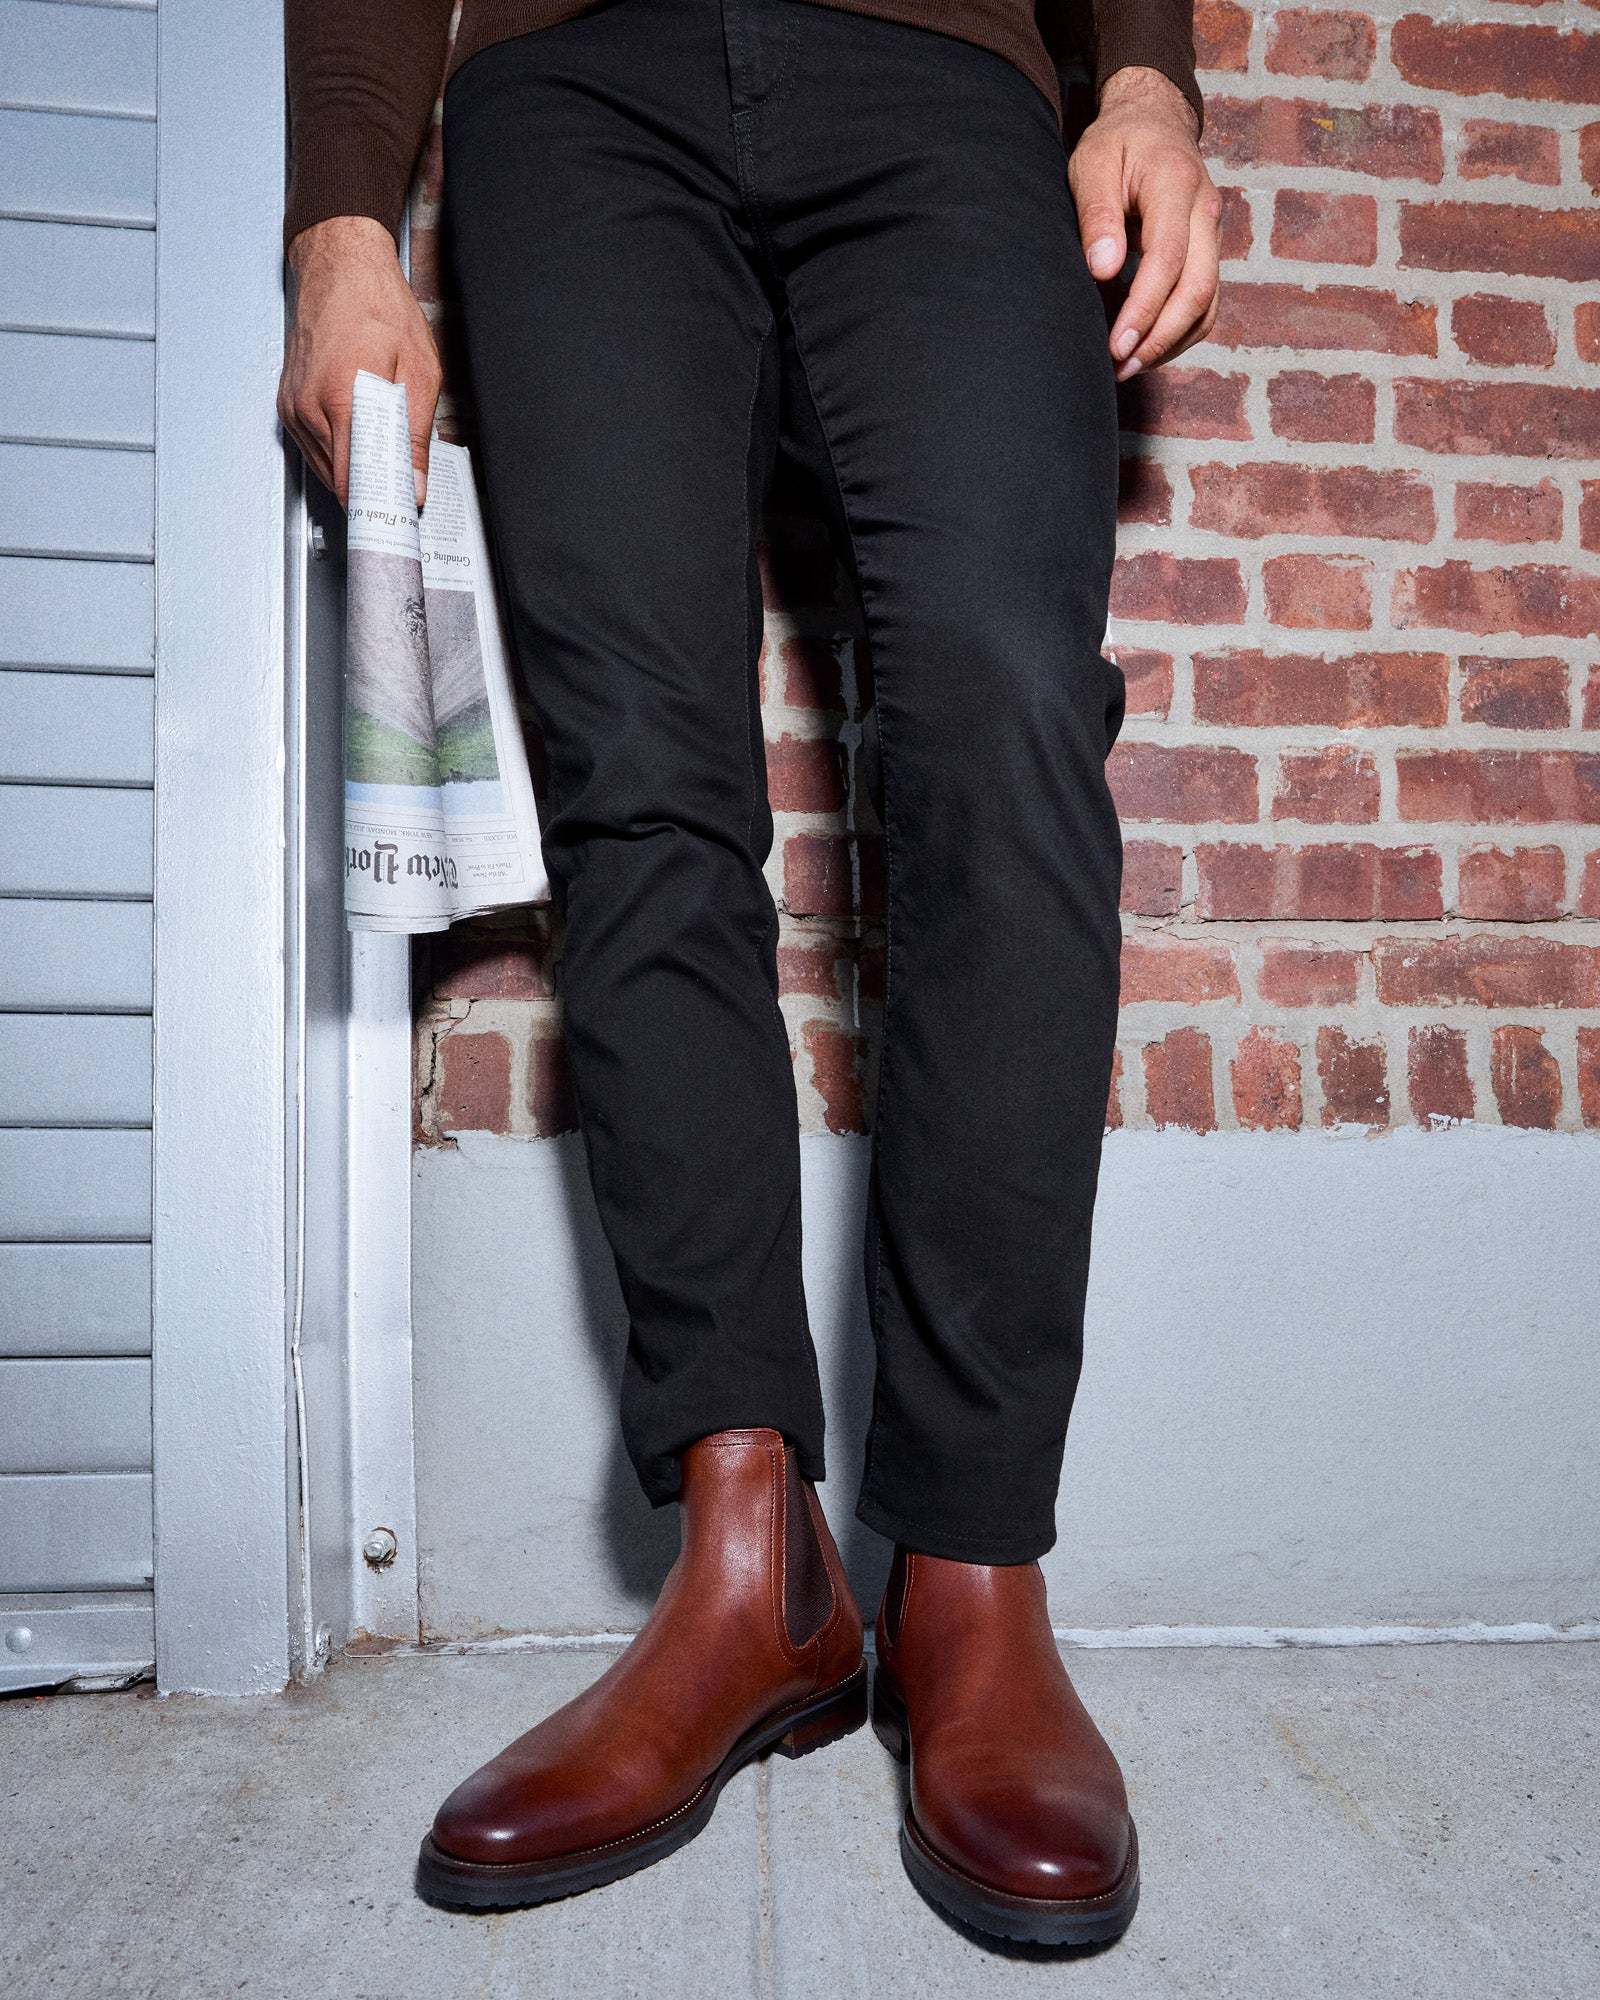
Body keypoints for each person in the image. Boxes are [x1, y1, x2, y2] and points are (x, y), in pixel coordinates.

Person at [280, 0, 1217, 1947]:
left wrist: (1140, 73)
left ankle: (968, 1570)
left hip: (936, 62)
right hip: (570, 87)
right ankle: (748, 1562)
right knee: (635, 787)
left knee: (1004, 712)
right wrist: (342, 228)